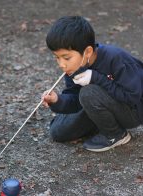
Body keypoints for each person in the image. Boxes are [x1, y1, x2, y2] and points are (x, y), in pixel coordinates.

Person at [41, 16, 143, 152]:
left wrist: (96, 78)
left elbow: (132, 97)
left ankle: (116, 135)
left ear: (87, 52)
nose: (61, 64)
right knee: (58, 132)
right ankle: (102, 119)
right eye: (57, 57)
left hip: (135, 110)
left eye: (66, 57)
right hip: (101, 102)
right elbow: (75, 99)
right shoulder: (73, 67)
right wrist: (57, 100)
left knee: (88, 93)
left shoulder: (116, 59)